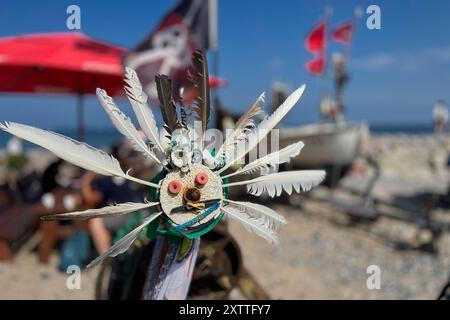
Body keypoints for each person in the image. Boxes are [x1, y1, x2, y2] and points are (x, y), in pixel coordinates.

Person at [82, 144, 144, 256]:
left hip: (126, 215)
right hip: (138, 214)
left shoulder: (108, 179)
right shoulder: (131, 175)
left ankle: (105, 258)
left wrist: (86, 180)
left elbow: (91, 199)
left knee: (95, 222)